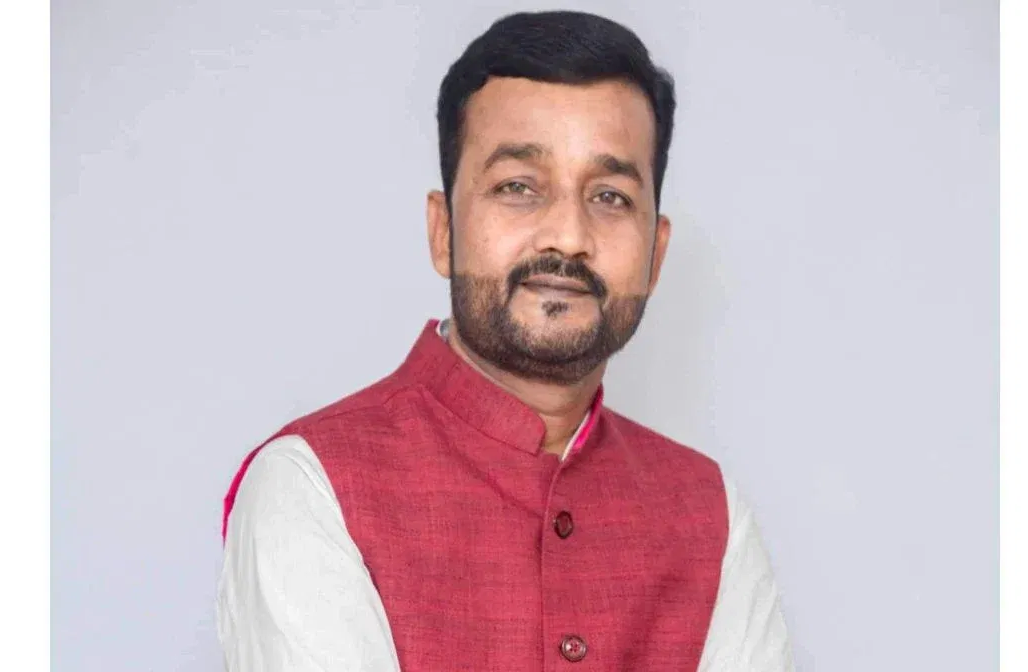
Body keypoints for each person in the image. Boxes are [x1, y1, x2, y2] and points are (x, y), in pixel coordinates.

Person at [216, 10, 792, 671]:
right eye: (518, 187)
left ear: (655, 255)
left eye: (610, 197)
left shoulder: (711, 513)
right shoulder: (310, 485)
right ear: (443, 232)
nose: (568, 237)